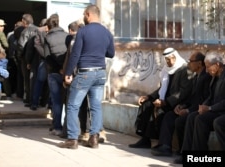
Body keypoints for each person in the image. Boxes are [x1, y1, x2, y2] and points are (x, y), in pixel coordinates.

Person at [58, 4, 115, 149]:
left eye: (84, 14)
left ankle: (72, 139)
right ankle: (94, 138)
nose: (84, 17)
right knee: (96, 106)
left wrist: (68, 73)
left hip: (85, 73)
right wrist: (98, 51)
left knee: (72, 105)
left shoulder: (83, 32)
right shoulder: (107, 33)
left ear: (88, 14)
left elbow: (75, 54)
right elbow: (111, 53)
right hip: (100, 73)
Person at [129, 47, 193, 149]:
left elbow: (183, 92)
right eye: (167, 60)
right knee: (147, 104)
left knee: (162, 112)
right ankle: (145, 139)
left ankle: (163, 144)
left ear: (175, 57)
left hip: (176, 102)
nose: (169, 62)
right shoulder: (166, 70)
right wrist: (149, 96)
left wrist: (166, 102)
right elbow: (162, 87)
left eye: (171, 59)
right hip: (164, 100)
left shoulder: (184, 69)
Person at [151, 52, 212, 156]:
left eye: (191, 61)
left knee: (183, 120)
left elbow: (203, 99)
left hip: (200, 109)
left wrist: (188, 110)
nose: (189, 64)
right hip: (192, 107)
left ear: (199, 64)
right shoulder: (196, 77)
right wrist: (182, 106)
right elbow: (192, 98)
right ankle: (166, 146)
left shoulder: (205, 77)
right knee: (169, 115)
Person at [174, 53, 225, 164]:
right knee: (193, 116)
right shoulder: (215, 77)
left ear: (217, 64)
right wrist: (204, 106)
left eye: (208, 66)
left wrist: (210, 108)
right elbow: (210, 96)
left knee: (202, 120)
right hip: (215, 110)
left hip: (220, 111)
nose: (206, 70)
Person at [44, 14, 68, 136]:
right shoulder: (67, 35)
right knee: (68, 102)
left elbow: (47, 57)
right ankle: (68, 129)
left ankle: (57, 127)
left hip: (54, 73)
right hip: (67, 74)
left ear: (48, 26)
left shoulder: (48, 38)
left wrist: (58, 69)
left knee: (56, 101)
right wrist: (65, 69)